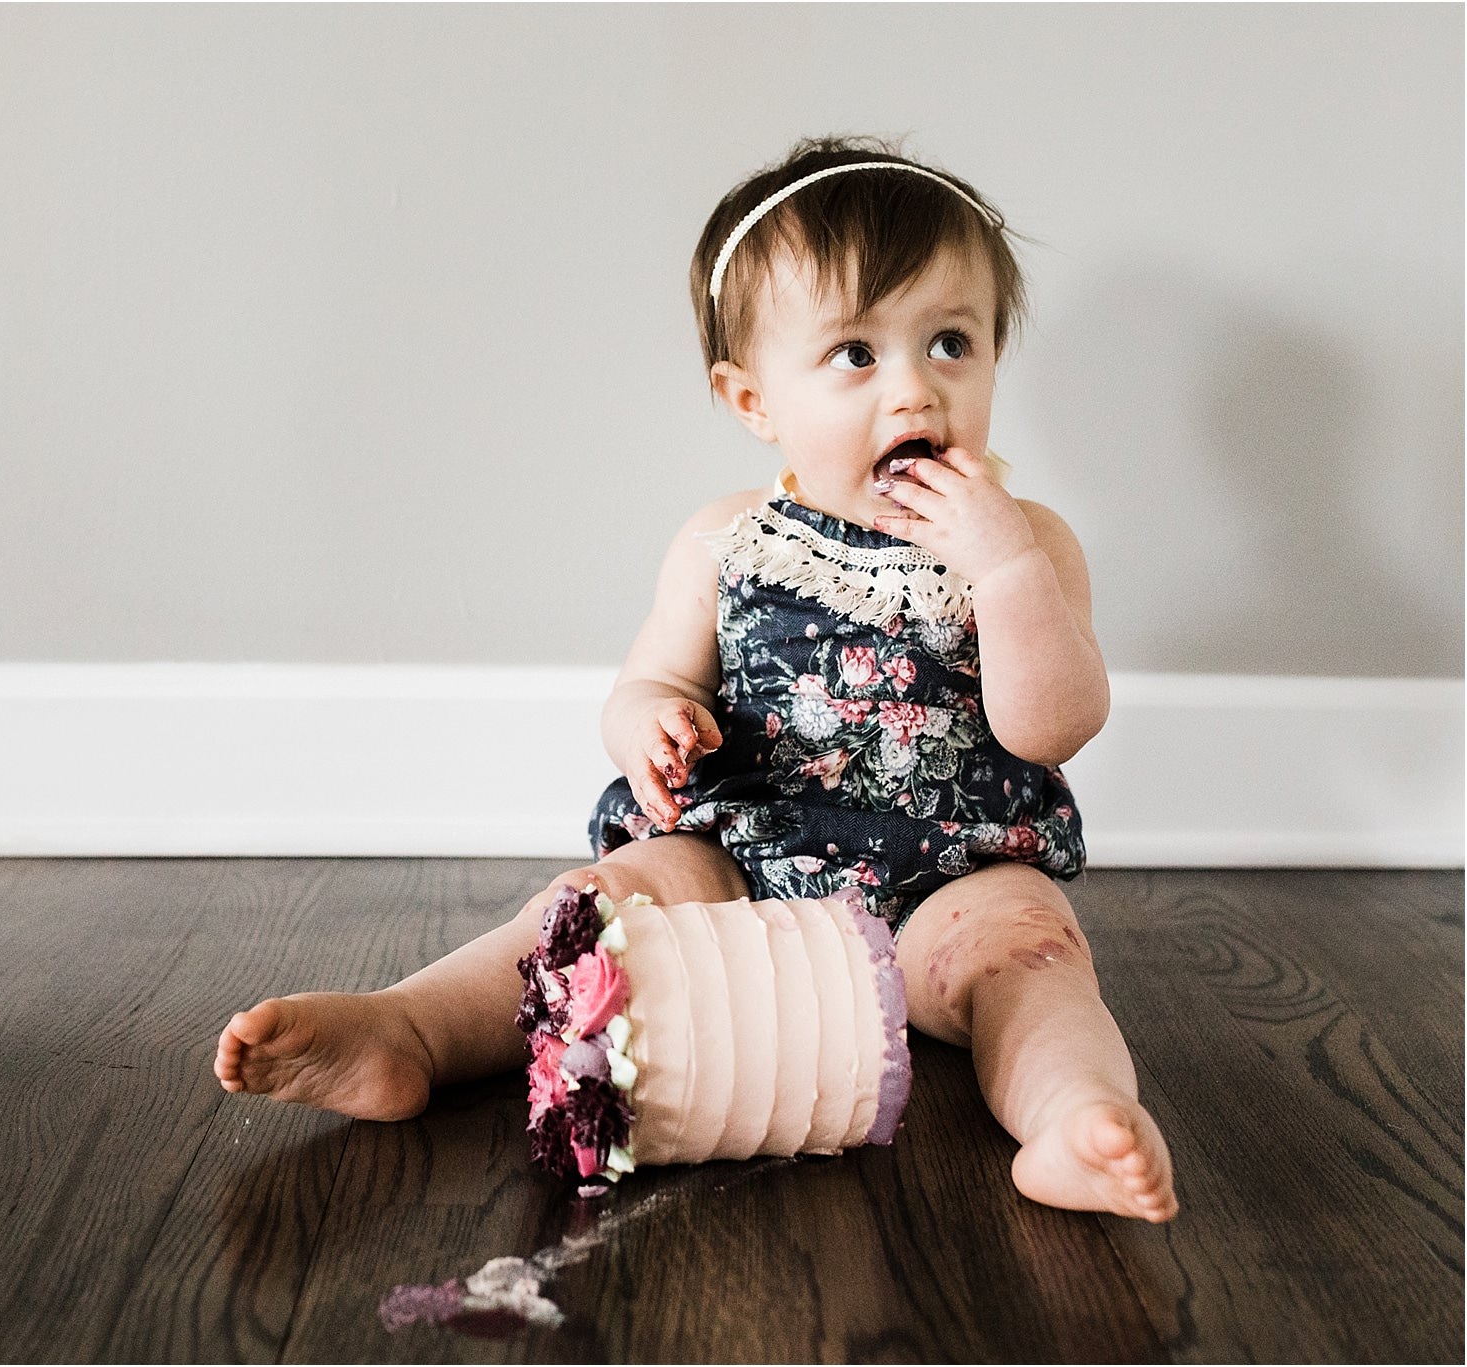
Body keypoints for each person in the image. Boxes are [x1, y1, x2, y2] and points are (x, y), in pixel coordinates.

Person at [214, 136, 1178, 1223]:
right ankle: (413, 1030)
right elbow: (642, 683)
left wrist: (1000, 568)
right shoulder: (726, 540)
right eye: (855, 354)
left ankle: (1074, 1116)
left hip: (953, 878)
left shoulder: (1026, 543)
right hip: (736, 859)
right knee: (595, 907)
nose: (912, 384)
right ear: (751, 396)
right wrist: (652, 722)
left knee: (1033, 958)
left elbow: (1053, 726)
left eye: (948, 342)